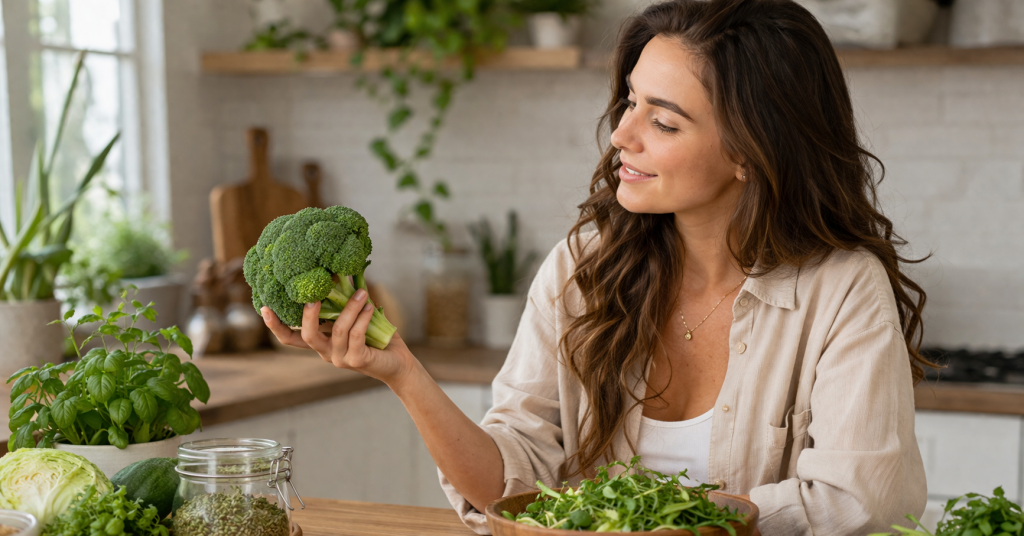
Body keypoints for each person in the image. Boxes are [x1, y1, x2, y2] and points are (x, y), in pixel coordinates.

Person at [261, 0, 932, 533]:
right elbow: (506, 485)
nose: (622, 134)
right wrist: (400, 371)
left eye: (664, 122)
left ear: (749, 153)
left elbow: (864, 498)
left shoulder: (841, 288)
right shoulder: (584, 267)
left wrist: (674, 525)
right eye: (631, 101)